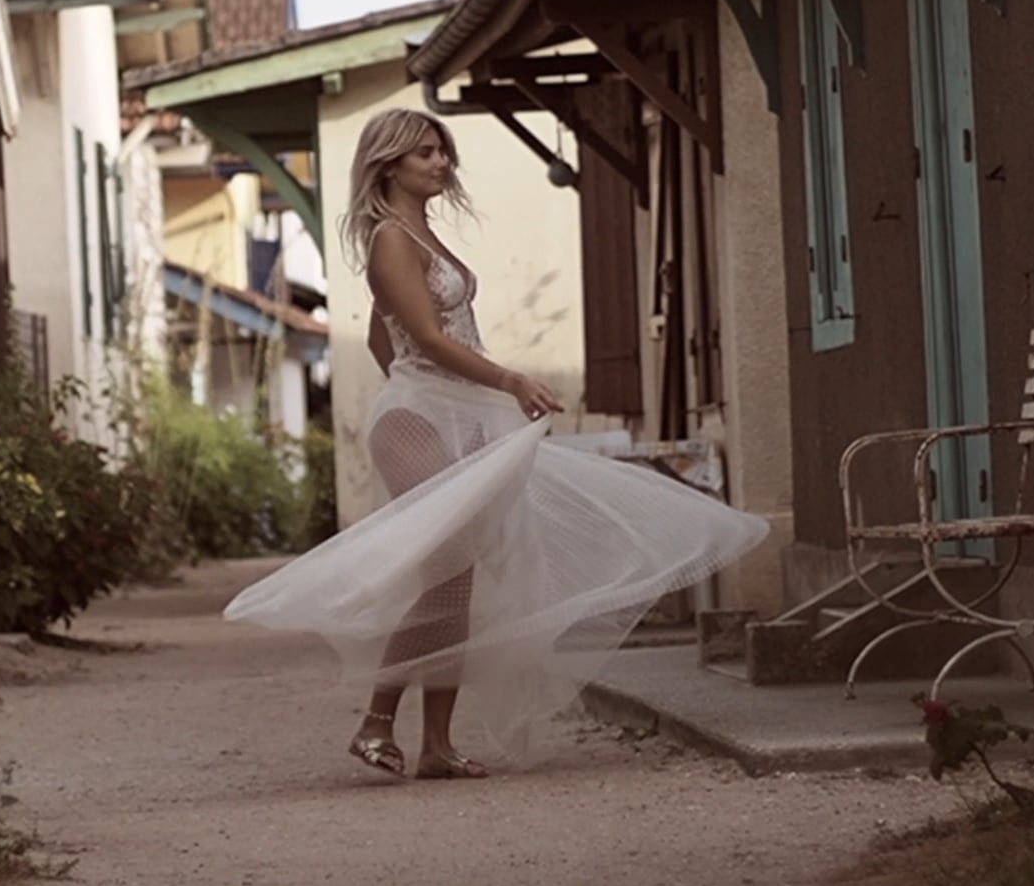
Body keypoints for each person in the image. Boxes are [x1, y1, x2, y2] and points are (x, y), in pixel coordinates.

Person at [223, 108, 767, 780]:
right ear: (390, 163)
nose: (442, 164)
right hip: (417, 421)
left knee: (462, 582)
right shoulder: (392, 238)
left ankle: (438, 747)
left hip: (459, 412)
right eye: (426, 153)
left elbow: (379, 335)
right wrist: (500, 377)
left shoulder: (422, 235)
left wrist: (461, 386)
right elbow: (421, 339)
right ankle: (375, 721)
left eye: (443, 152)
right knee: (448, 575)